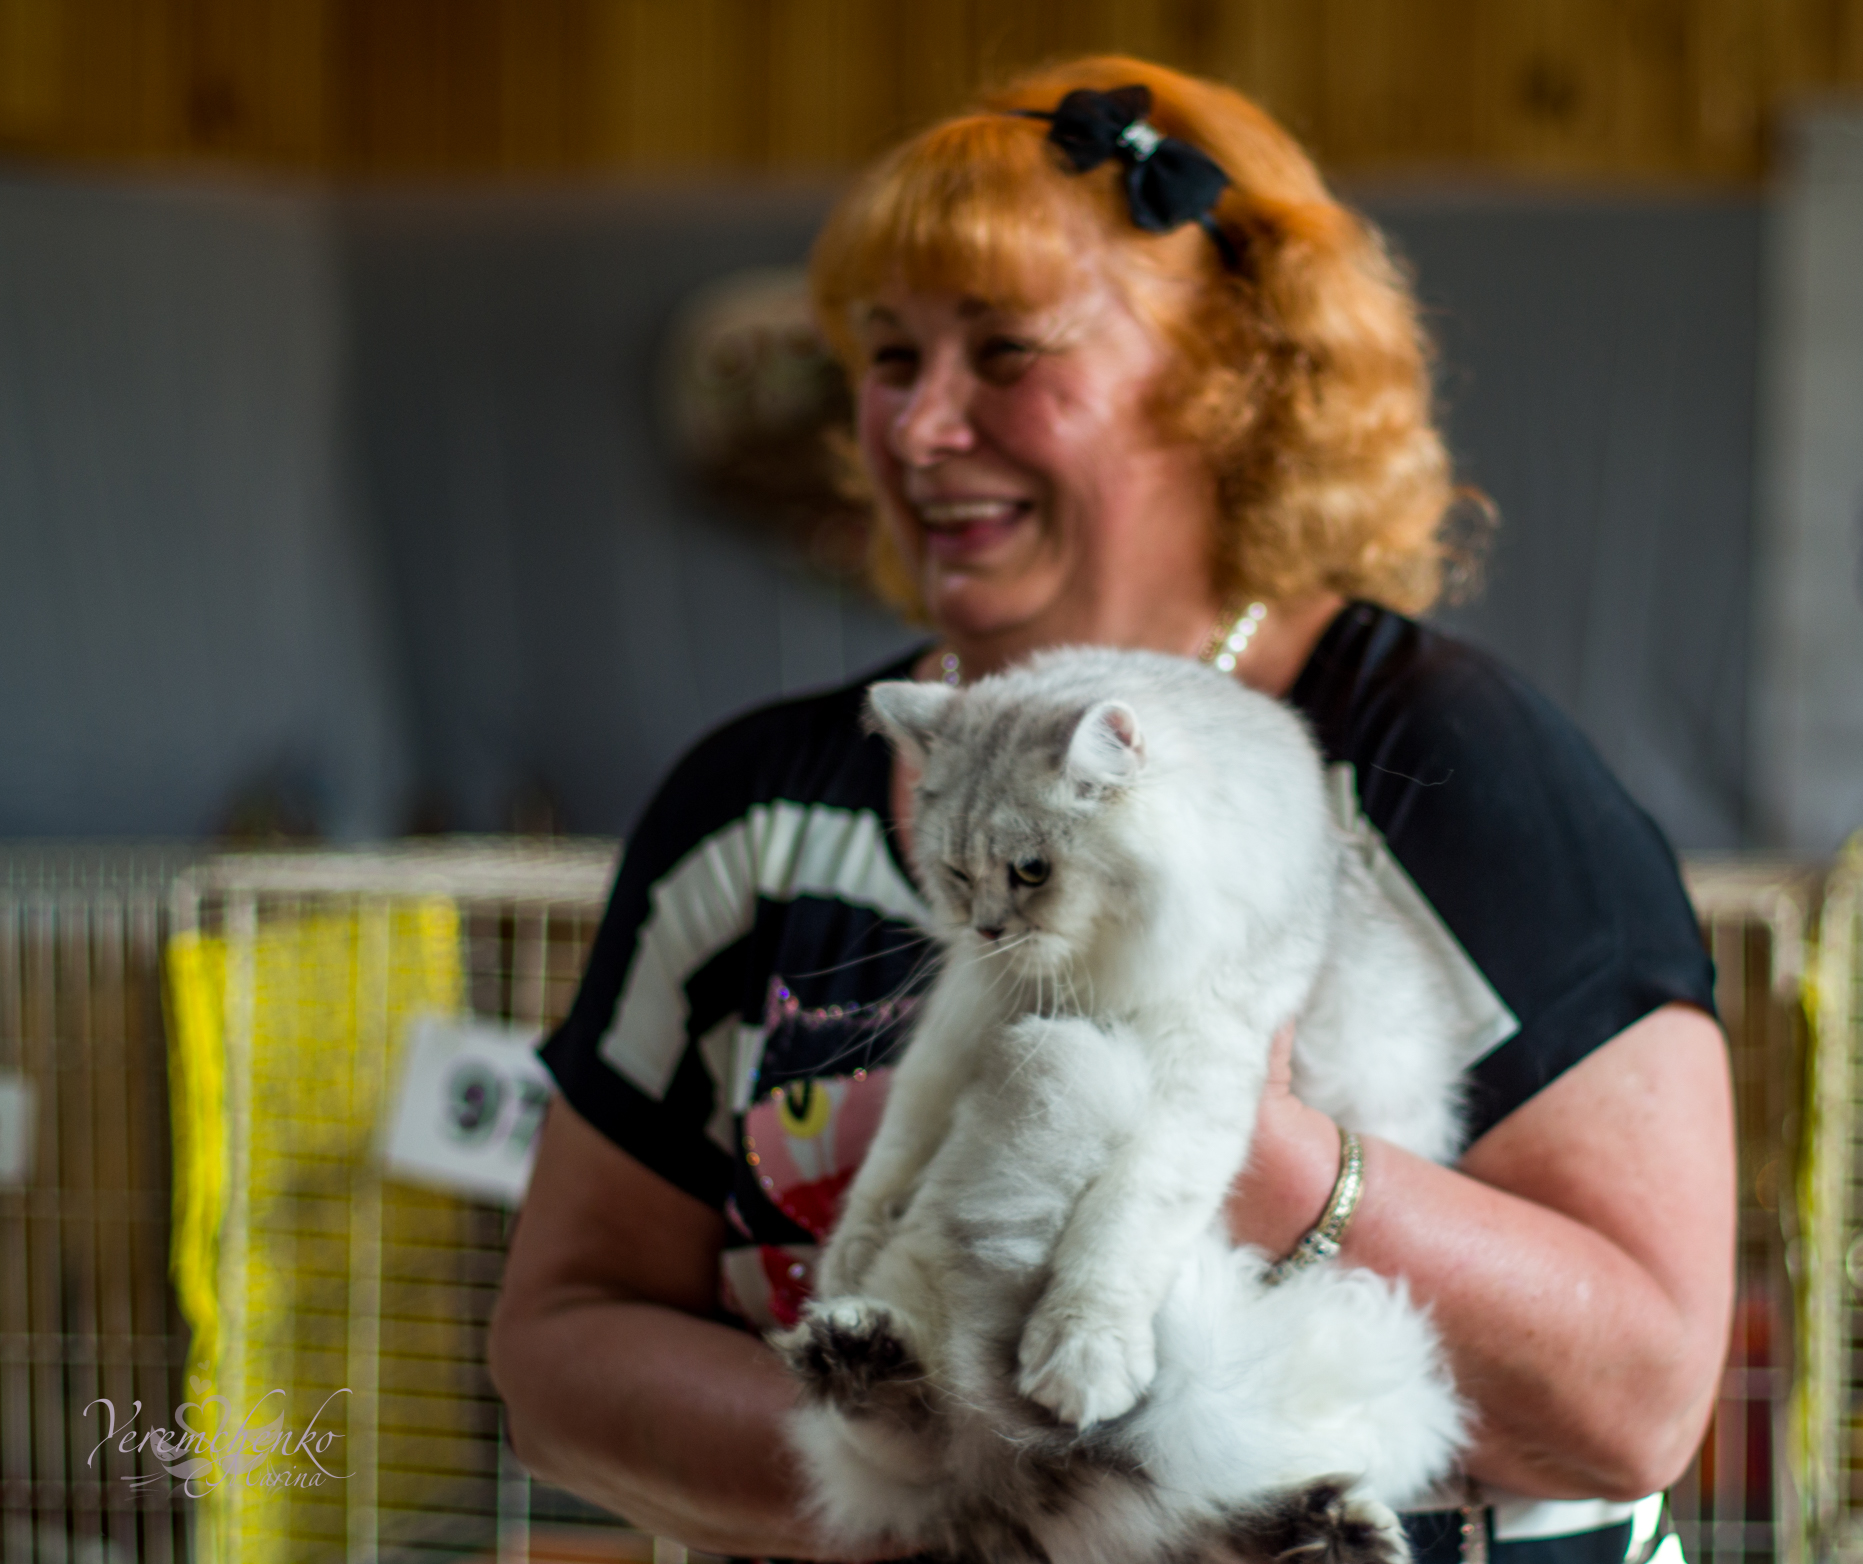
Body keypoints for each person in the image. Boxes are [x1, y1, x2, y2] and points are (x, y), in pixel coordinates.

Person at [488, 55, 1735, 1564]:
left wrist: (1257, 1150)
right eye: (889, 356)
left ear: (1223, 384)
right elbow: (558, 1343)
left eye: (1005, 351)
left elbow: (1641, 1403)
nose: (919, 426)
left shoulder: (1436, 757)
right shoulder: (754, 806)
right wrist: (932, 1492)